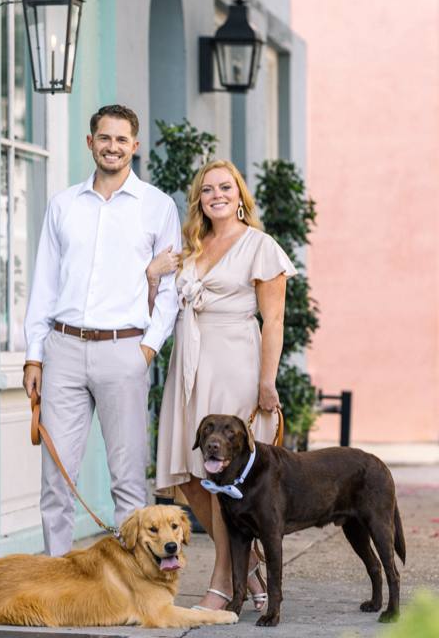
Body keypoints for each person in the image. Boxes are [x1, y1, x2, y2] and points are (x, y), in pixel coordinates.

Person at [23, 104, 182, 558]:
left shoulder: (156, 206)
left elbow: (169, 290)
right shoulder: (64, 205)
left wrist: (147, 349)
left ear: (135, 145)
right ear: (90, 143)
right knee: (57, 479)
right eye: (104, 138)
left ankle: (137, 583)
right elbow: (44, 284)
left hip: (124, 350)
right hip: (64, 349)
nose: (112, 147)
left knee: (128, 480)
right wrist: (35, 354)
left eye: (121, 139)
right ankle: (56, 576)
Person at [150, 159, 296, 611]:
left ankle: (220, 585)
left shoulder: (260, 245)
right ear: (199, 198)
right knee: (193, 475)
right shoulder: (192, 247)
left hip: (235, 359)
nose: (217, 195)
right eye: (208, 188)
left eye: (226, 187)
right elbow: (162, 306)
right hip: (191, 363)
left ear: (239, 195)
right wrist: (154, 274)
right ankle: (247, 569)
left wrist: (267, 381)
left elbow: (273, 320)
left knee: (228, 474)